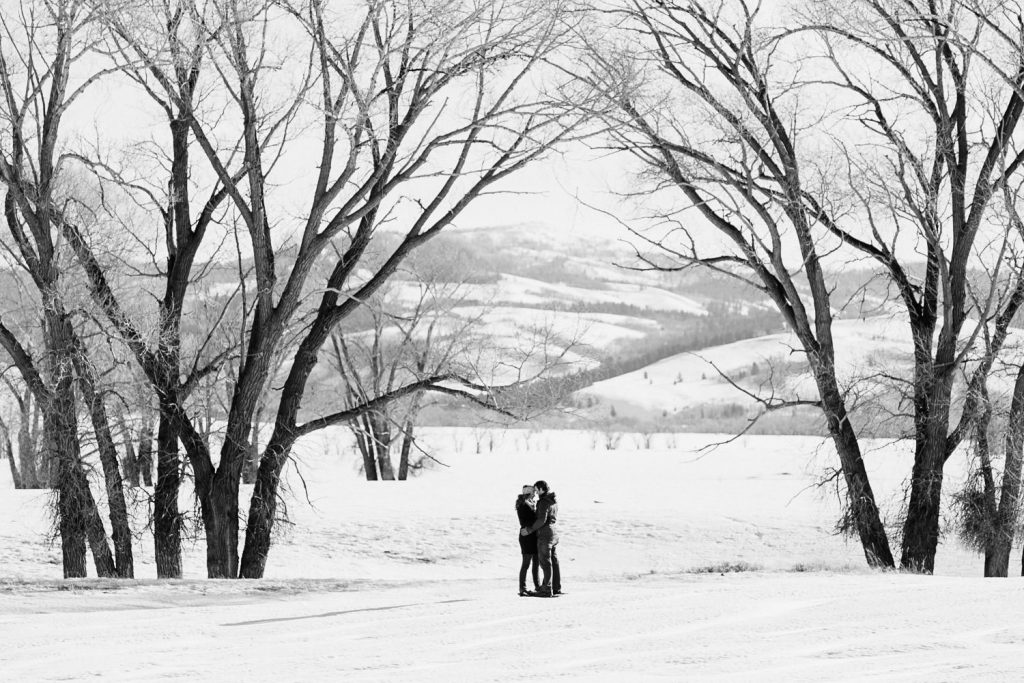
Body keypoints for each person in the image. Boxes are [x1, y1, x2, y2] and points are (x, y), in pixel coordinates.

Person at [521, 479, 560, 597]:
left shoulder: (543, 502)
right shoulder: (553, 500)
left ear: (542, 489)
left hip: (544, 534)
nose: (536, 492)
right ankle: (556, 587)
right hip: (553, 533)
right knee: (554, 561)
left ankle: (546, 590)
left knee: (545, 562)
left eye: (537, 490)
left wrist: (530, 529)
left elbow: (541, 520)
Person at [515, 485, 540, 596]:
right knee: (526, 562)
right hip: (526, 535)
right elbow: (524, 522)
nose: (535, 493)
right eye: (533, 492)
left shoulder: (530, 502)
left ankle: (537, 586)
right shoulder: (523, 504)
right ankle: (522, 588)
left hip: (533, 535)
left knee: (536, 562)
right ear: (529, 492)